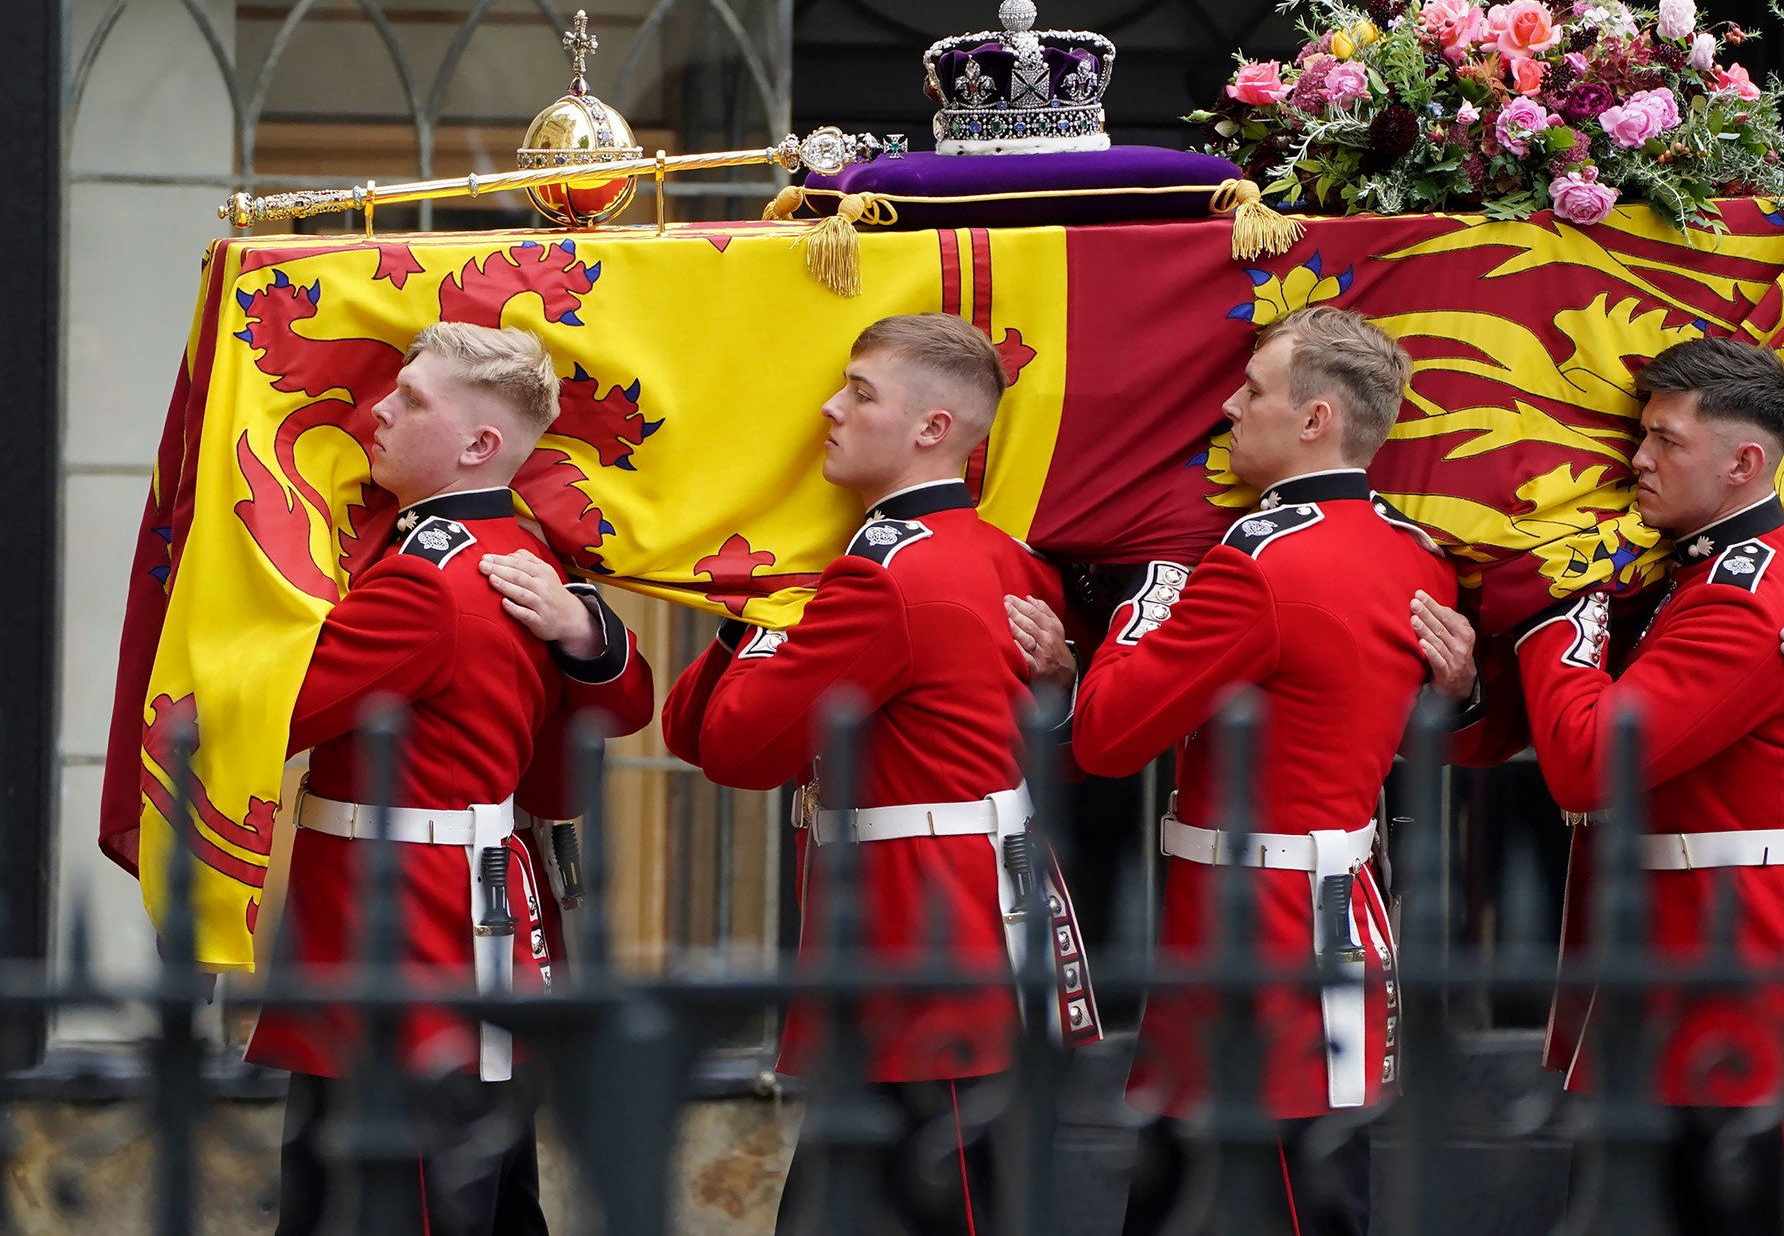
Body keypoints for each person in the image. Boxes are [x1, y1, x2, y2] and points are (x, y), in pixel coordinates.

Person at [661, 313, 1096, 1236]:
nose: (830, 407)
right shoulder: (1003, 557)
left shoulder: (878, 579)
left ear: (933, 429)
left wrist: (761, 606)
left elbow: (738, 749)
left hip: (918, 937)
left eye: (860, 392)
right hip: (974, 919)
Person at [1059, 305, 1455, 1236]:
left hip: (1256, 933)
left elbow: (1107, 737)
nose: (1231, 408)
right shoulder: (1415, 556)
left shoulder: (1259, 566)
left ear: (1315, 419)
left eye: (1253, 391)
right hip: (1330, 910)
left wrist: (1150, 590)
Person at [250, 323, 653, 1236]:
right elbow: (622, 696)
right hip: (473, 912)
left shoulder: (428, 579)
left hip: (405, 931)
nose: (377, 411)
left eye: (412, 400)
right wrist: (590, 633)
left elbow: (271, 713)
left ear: (479, 445)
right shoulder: (517, 549)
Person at [1503, 336, 1784, 1235]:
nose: (1637, 459)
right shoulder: (1715, 569)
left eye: (1665, 440)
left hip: (1741, 988)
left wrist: (1546, 618)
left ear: (1744, 462)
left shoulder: (1740, 594)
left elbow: (1589, 758)